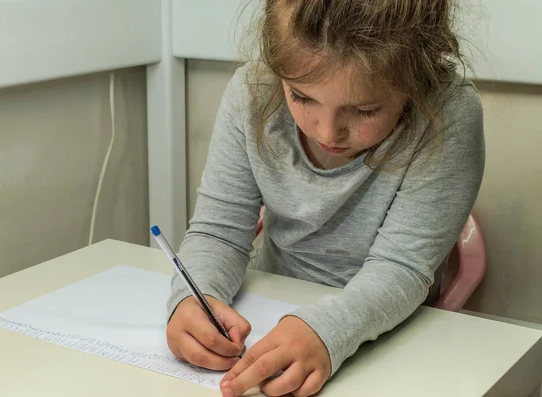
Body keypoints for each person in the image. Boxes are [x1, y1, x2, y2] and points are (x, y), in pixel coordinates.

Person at [166, 0, 485, 396]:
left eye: (365, 110)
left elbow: (402, 268)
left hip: (385, 336)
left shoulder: (450, 111)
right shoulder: (252, 92)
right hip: (266, 310)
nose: (328, 133)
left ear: (415, 84)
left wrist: (325, 331)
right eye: (301, 97)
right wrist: (194, 298)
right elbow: (219, 233)